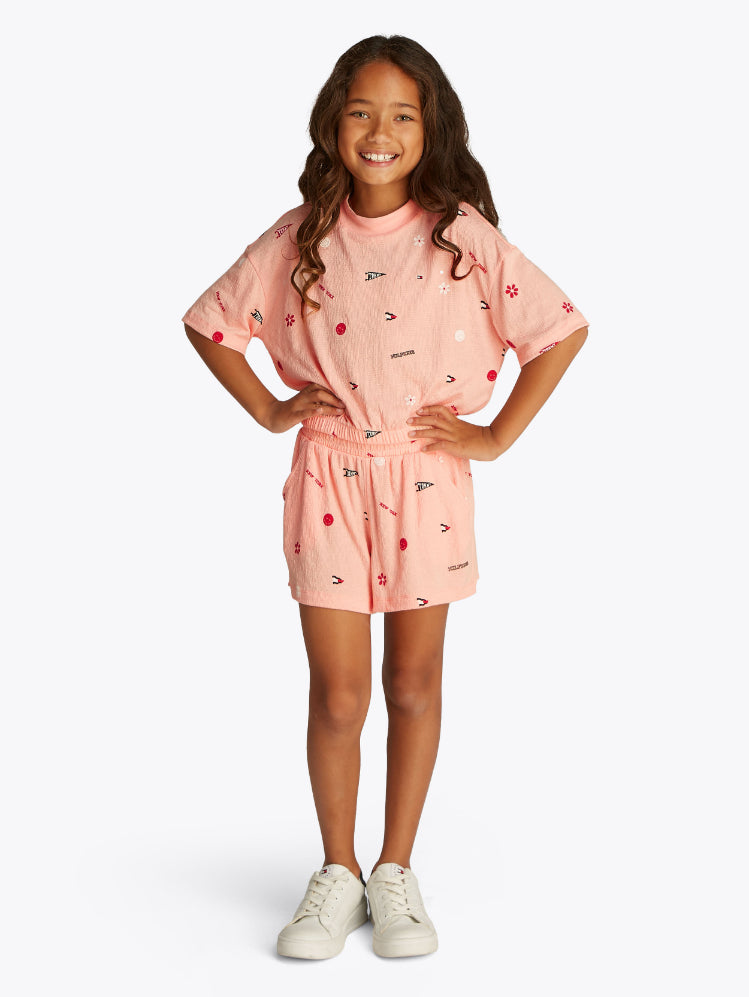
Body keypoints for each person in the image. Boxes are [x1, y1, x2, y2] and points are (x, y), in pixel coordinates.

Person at [181, 34, 589, 960]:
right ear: (333, 122)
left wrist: (494, 435)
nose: (380, 131)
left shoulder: (459, 234)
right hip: (327, 473)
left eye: (403, 114)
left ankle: (395, 870)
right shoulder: (298, 236)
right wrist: (269, 408)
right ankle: (337, 869)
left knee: (412, 681)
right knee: (337, 693)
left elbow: (558, 327)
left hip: (426, 476)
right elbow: (210, 322)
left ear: (429, 128)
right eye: (361, 111)